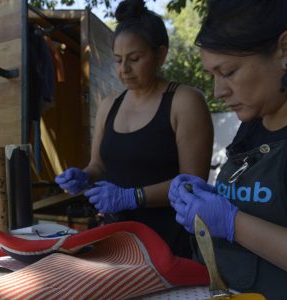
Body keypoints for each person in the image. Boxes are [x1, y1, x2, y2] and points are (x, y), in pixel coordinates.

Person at [55, 0, 213, 258]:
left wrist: (132, 196)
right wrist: (83, 176)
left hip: (170, 242)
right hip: (116, 238)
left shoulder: (184, 102)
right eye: (118, 60)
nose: (124, 70)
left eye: (134, 59)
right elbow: (99, 166)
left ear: (160, 55)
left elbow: (193, 185)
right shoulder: (109, 105)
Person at [168, 0, 287, 297]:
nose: (219, 91)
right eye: (212, 76)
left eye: (228, 72)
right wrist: (210, 197)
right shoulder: (254, 121)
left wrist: (233, 223)